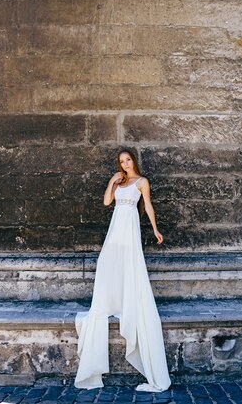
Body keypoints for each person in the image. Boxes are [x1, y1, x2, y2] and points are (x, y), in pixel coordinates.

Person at [74, 149, 171, 392]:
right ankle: (112, 301)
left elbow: (147, 206)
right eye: (121, 162)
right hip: (115, 230)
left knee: (129, 264)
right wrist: (111, 181)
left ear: (134, 161)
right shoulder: (120, 182)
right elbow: (107, 202)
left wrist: (155, 229)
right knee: (107, 263)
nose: (125, 164)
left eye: (128, 160)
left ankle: (126, 302)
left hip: (130, 230)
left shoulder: (141, 182)